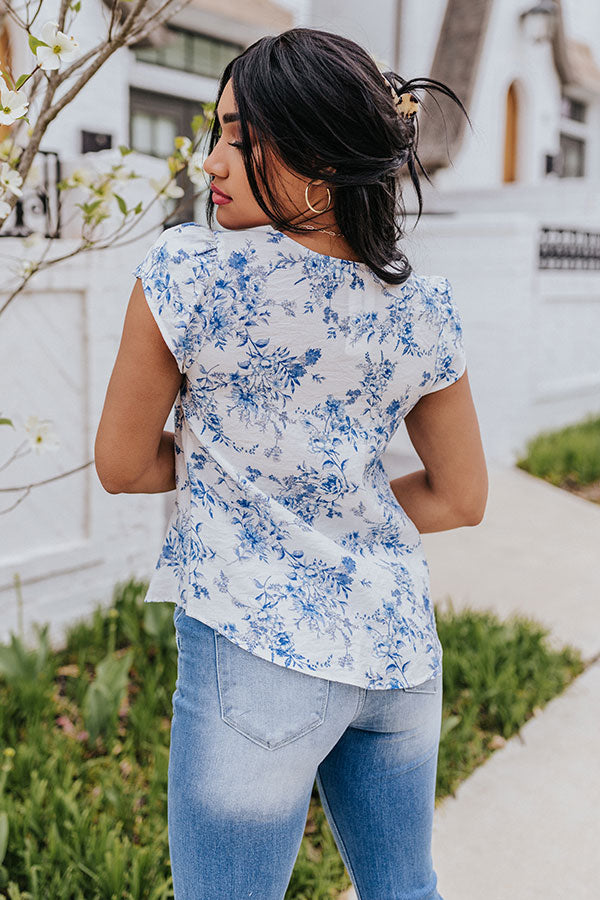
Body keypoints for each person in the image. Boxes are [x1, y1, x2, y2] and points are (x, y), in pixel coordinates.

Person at [94, 26, 488, 900]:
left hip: (252, 651)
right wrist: (330, 502)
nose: (212, 161)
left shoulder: (189, 274)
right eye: (217, 132)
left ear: (322, 155)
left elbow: (120, 464)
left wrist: (245, 486)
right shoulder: (424, 309)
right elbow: (462, 497)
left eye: (240, 137)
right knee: (405, 889)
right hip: (396, 655)